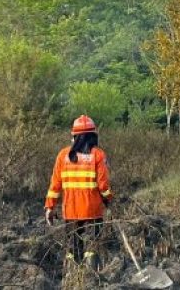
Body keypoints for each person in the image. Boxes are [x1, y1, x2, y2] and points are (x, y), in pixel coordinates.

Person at [45, 115, 113, 269]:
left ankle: (72, 277)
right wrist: (109, 199)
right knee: (91, 247)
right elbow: (103, 185)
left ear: (74, 136)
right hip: (93, 212)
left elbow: (54, 185)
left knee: (73, 248)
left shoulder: (63, 155)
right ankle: (91, 279)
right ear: (93, 136)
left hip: (70, 212)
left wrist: (49, 207)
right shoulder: (98, 154)